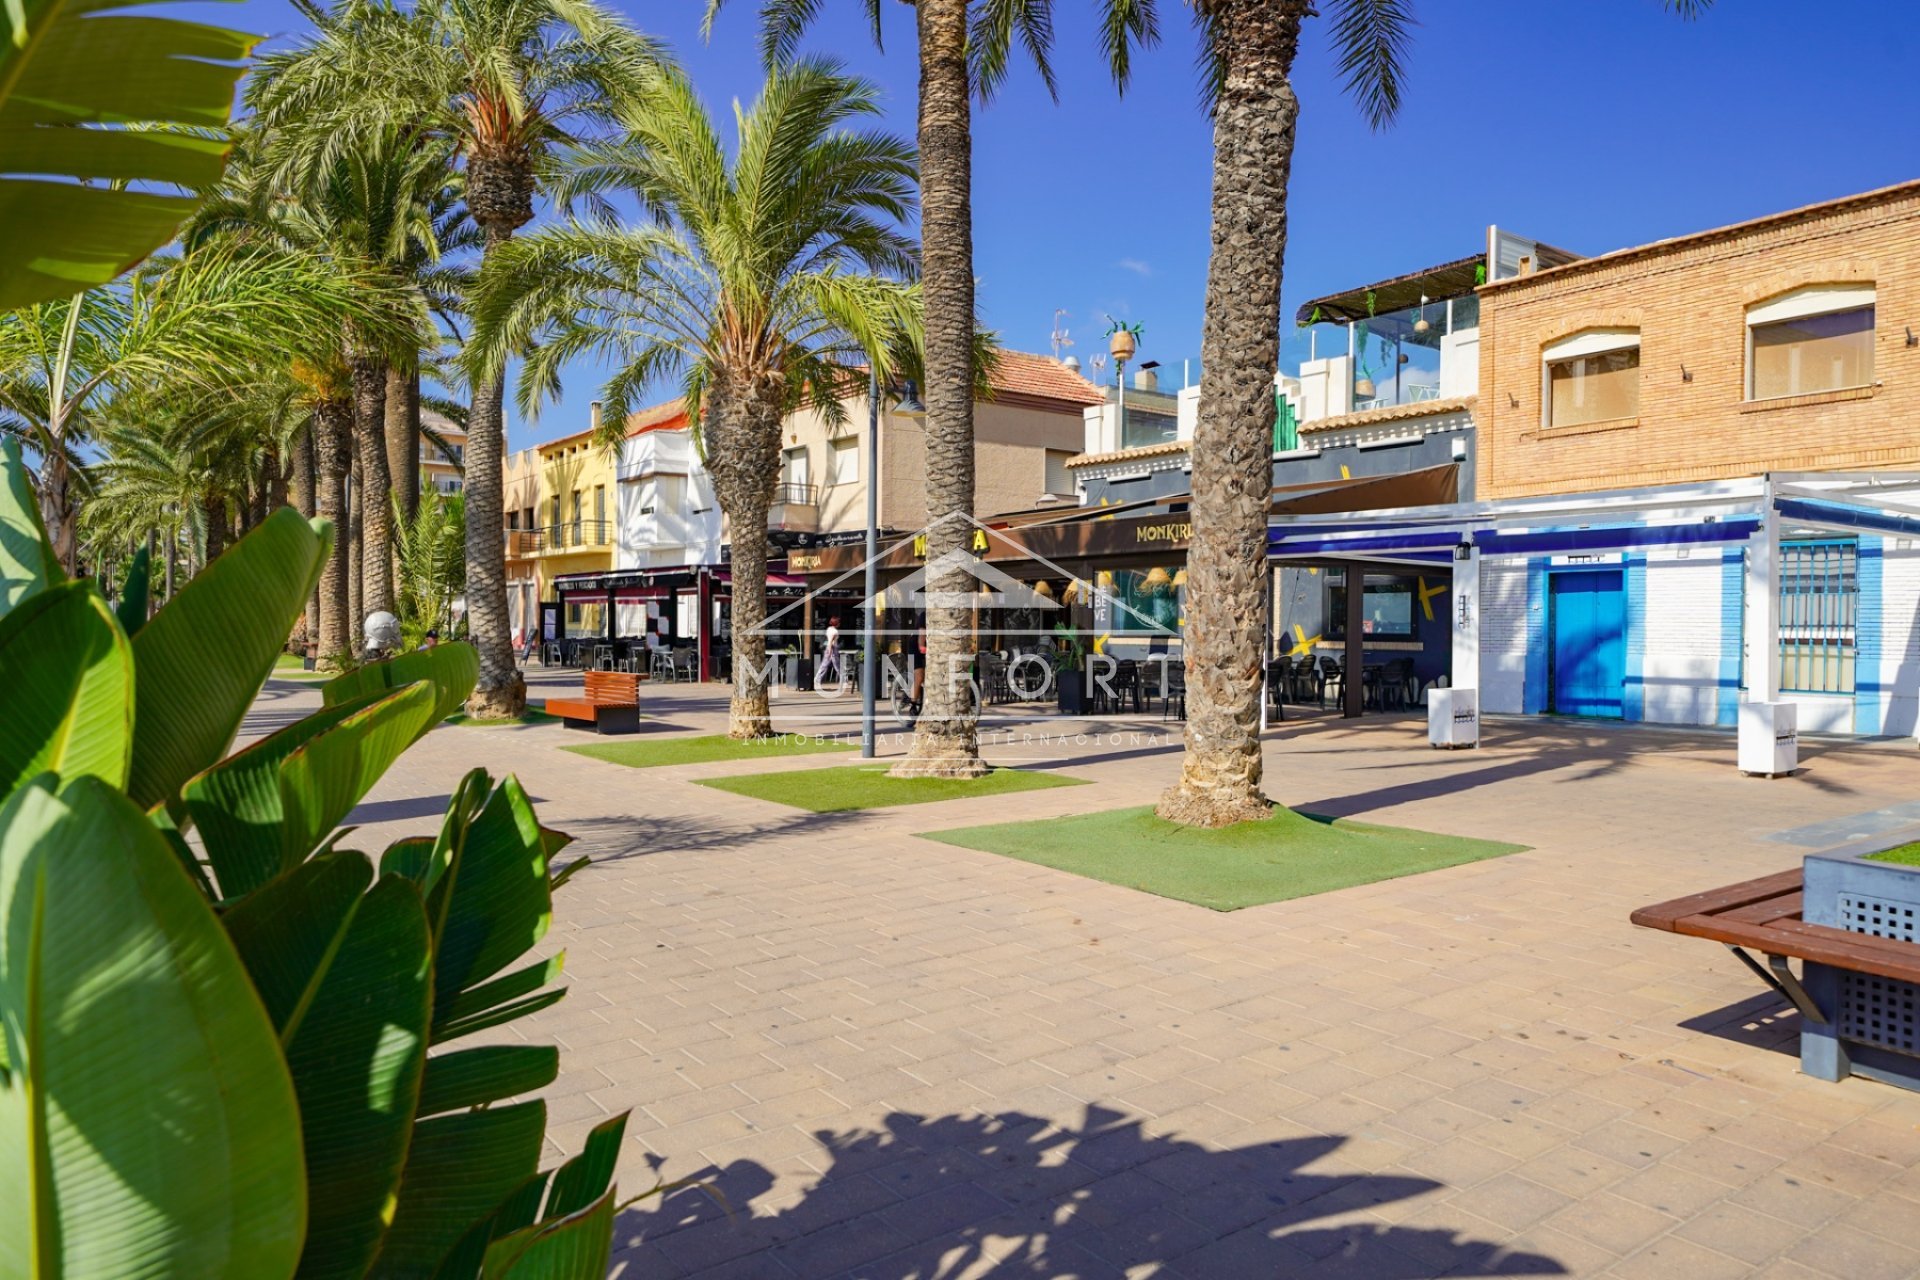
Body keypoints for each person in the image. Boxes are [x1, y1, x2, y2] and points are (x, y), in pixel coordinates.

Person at [817, 615, 843, 686]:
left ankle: (817, 679)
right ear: (836, 623)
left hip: (829, 649)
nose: (840, 623)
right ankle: (843, 680)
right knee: (837, 665)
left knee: (824, 665)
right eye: (839, 622)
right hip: (832, 649)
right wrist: (830, 650)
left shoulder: (829, 629)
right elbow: (831, 641)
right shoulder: (835, 631)